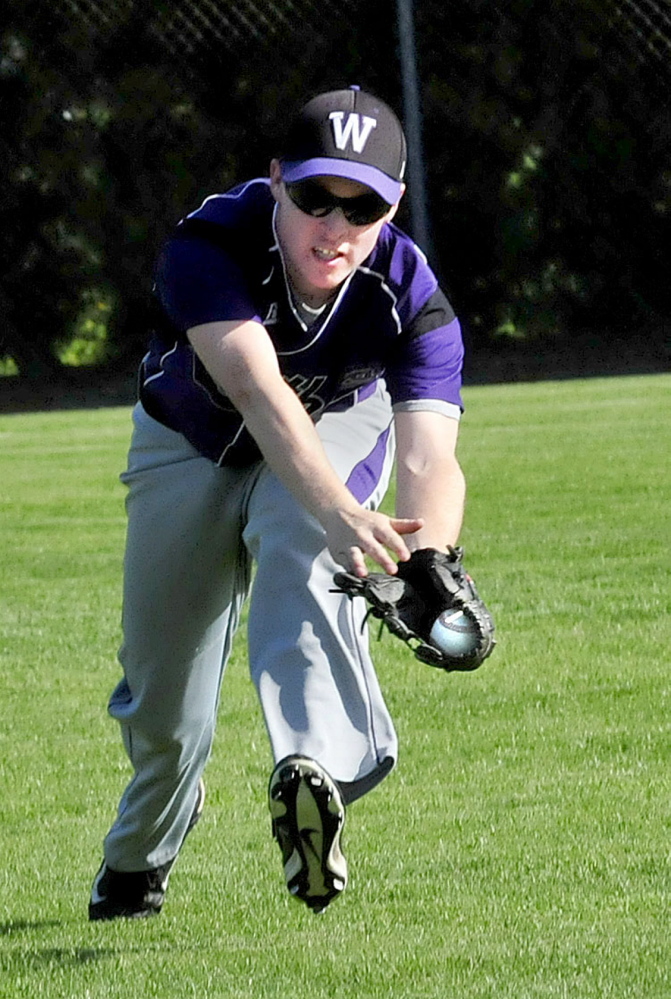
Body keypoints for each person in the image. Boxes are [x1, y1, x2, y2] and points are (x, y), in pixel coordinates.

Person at [89, 85, 467, 920]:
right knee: (162, 695)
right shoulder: (209, 243)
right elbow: (259, 396)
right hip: (189, 442)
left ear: (393, 206)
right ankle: (138, 854)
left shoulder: (411, 293)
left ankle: (314, 772)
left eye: (361, 204)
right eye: (313, 197)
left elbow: (429, 452)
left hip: (334, 425)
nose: (333, 226)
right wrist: (343, 513)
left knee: (302, 546)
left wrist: (432, 555)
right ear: (275, 181)